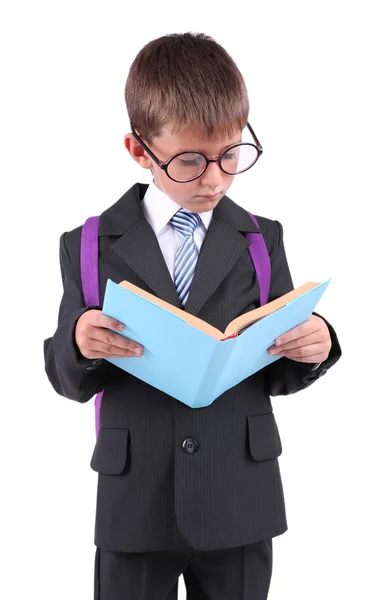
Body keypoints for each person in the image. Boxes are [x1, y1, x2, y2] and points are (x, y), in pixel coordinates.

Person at [43, 32, 342, 600]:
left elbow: (277, 366)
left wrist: (315, 346)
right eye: (189, 160)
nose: (214, 178)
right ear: (139, 151)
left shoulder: (260, 237)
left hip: (240, 494)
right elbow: (65, 375)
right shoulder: (86, 244)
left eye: (231, 154)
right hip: (135, 501)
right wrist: (79, 342)